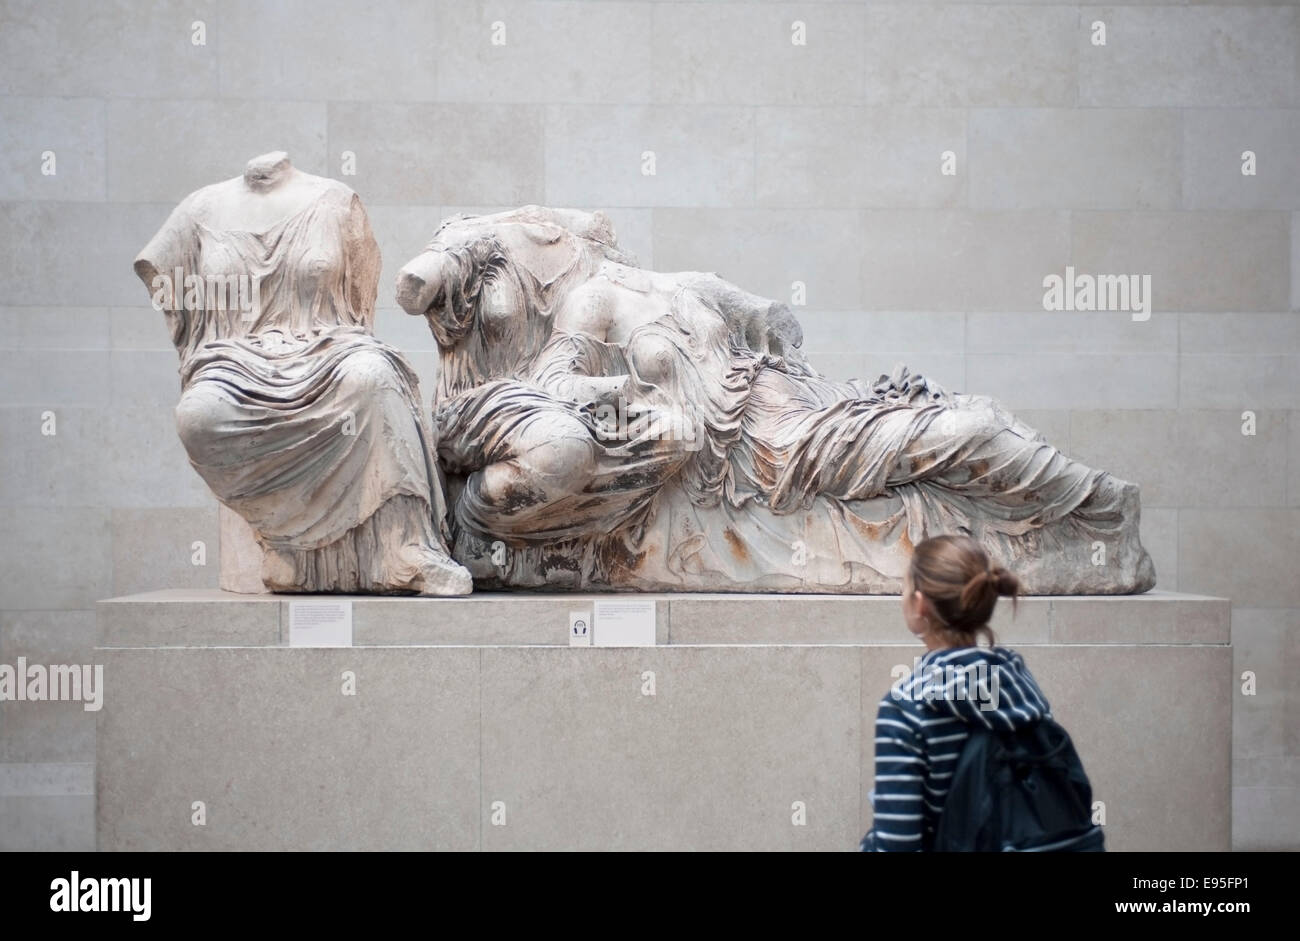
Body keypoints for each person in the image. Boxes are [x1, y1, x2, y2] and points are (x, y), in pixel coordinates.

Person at [860, 533, 1051, 851]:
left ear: (919, 605)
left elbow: (898, 844)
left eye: (905, 587)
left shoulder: (906, 709)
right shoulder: (1020, 686)